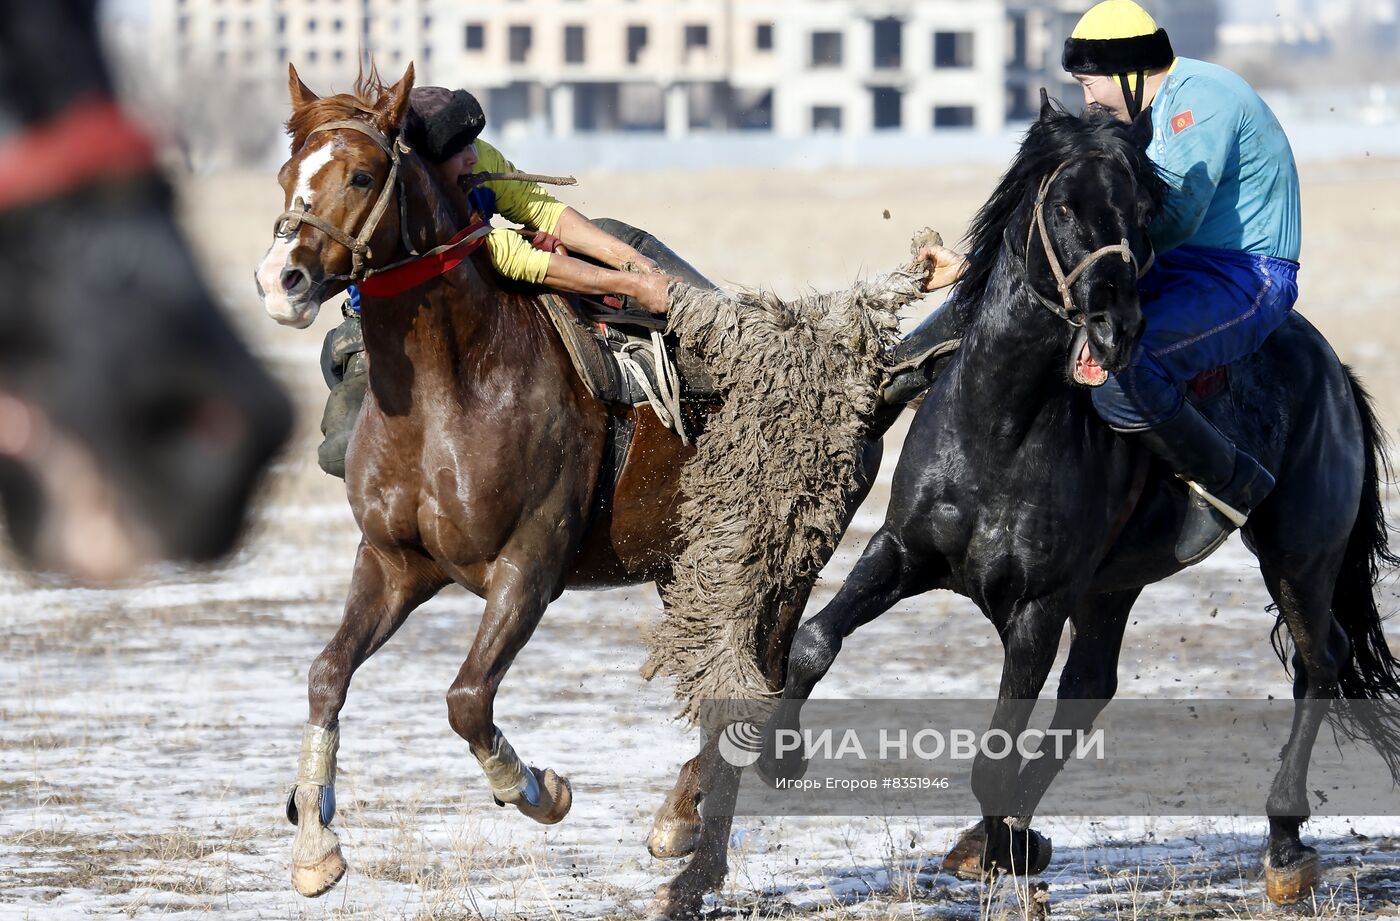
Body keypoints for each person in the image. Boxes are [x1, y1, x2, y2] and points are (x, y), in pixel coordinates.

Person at [894, 0, 1300, 565]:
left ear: (1130, 73)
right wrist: (982, 268)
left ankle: (1230, 484)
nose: (1087, 99)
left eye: (1090, 83)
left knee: (1126, 370)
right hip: (1167, 265)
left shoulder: (1199, 103)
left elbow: (1173, 218)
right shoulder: (1144, 110)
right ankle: (895, 378)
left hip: (1243, 276)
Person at [318, 87, 695, 477]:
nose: (474, 157)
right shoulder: (419, 208)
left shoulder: (474, 159)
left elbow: (541, 209)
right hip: (384, 331)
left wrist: (634, 262)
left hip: (470, 306)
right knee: (341, 450)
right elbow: (517, 259)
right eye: (459, 151)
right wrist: (633, 287)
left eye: (473, 143)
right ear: (423, 169)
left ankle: (714, 316)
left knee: (616, 234)